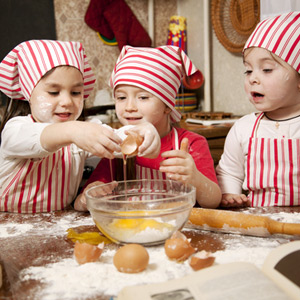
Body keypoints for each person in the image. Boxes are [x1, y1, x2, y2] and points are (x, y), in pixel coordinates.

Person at [0, 40, 160, 213]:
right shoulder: (15, 129)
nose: (67, 101)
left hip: (59, 223)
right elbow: (39, 138)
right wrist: (74, 130)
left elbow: (118, 139)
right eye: (54, 92)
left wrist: (144, 131)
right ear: (29, 93)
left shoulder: (84, 130)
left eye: (76, 92)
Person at [75, 45, 221, 210]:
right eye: (121, 97)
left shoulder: (191, 144)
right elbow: (81, 203)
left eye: (143, 97)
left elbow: (213, 200)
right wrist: (87, 198)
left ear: (168, 106)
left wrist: (195, 178)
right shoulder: (116, 147)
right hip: (131, 230)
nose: (129, 107)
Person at [216, 11, 300, 207]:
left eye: (267, 69)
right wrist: (229, 194)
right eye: (248, 70)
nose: (253, 78)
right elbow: (229, 172)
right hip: (257, 225)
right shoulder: (243, 128)